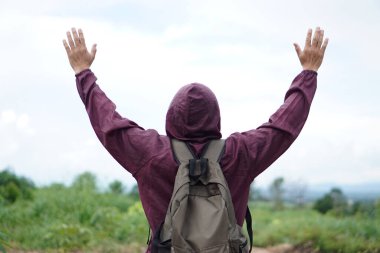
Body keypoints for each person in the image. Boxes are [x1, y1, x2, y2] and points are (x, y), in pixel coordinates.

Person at [63, 27, 328, 252]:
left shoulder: (151, 154)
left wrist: (83, 72)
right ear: (216, 117)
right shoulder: (240, 153)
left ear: (171, 115)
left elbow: (109, 124)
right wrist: (308, 73)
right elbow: (282, 127)